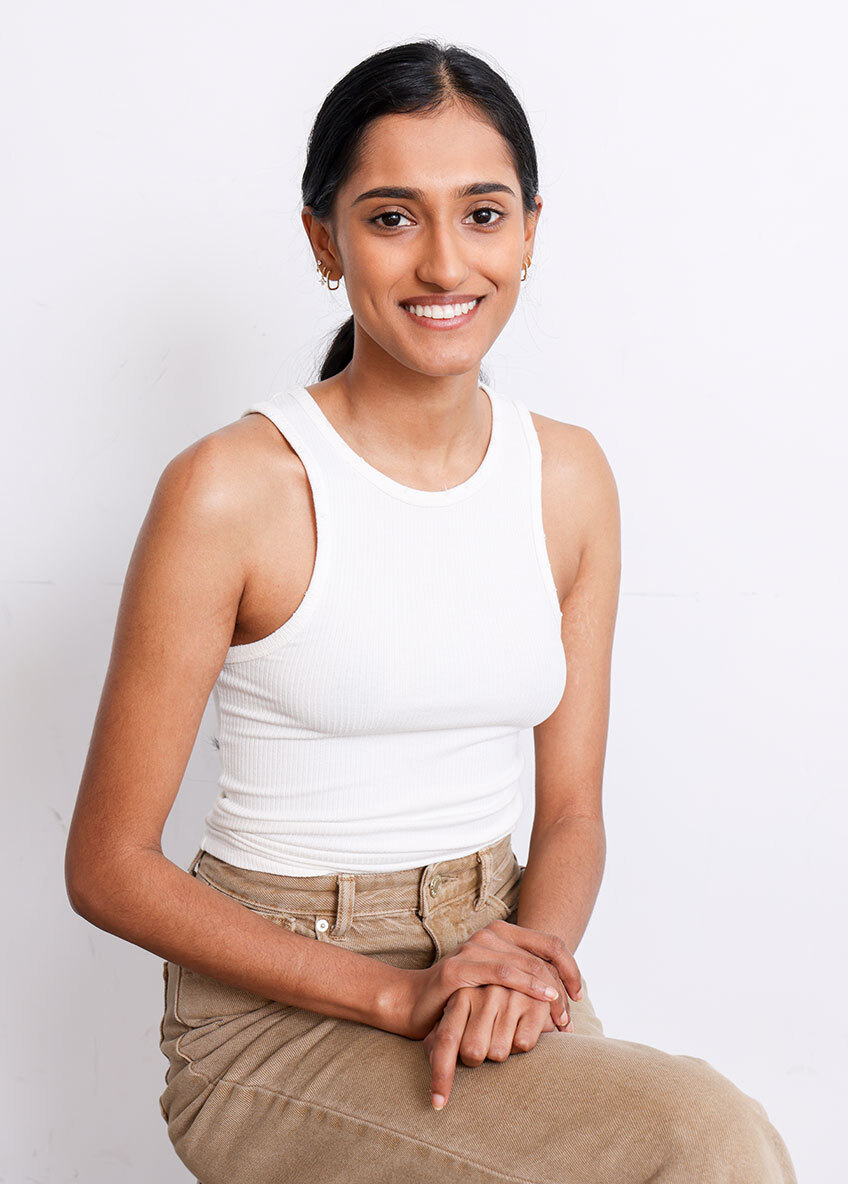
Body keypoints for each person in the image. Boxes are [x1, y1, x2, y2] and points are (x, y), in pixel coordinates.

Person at [64, 38, 798, 1184]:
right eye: (392, 217)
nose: (445, 260)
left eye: (482, 213)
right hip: (277, 1014)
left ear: (529, 231)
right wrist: (397, 993)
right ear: (324, 240)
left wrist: (529, 959)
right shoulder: (233, 489)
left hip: (495, 952)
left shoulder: (566, 478)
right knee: (701, 1137)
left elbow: (570, 813)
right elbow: (109, 863)